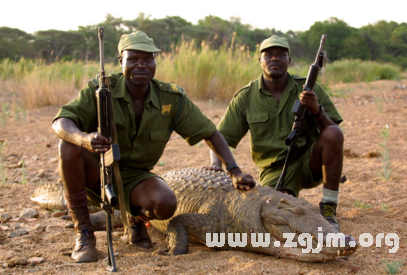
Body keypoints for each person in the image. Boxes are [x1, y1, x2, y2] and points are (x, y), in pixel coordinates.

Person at [52, 31, 255, 263]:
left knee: (165, 203)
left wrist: (234, 171)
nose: (141, 65)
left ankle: (136, 223)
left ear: (155, 61)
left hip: (135, 177)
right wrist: (82, 138)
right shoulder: (100, 92)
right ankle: (84, 233)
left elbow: (210, 133)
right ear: (121, 61)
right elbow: (61, 122)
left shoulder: (171, 98)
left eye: (148, 59)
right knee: (67, 146)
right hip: (97, 172)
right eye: (133, 59)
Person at [207, 35, 344, 230]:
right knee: (278, 213)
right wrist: (215, 165)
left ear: (289, 60)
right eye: (269, 55)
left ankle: (329, 207)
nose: (275, 58)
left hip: (309, 162)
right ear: (260, 61)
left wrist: (317, 110)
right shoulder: (246, 96)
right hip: (275, 170)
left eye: (281, 55)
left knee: (334, 134)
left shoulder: (308, 87)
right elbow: (220, 138)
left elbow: (333, 130)